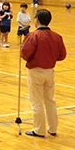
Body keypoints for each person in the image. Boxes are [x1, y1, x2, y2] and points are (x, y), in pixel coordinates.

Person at [21, 9, 67, 138]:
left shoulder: (33, 36)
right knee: (50, 100)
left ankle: (39, 130)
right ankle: (53, 128)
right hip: (50, 71)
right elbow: (62, 55)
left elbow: (25, 54)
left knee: (37, 101)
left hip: (36, 71)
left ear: (37, 20)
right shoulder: (57, 37)